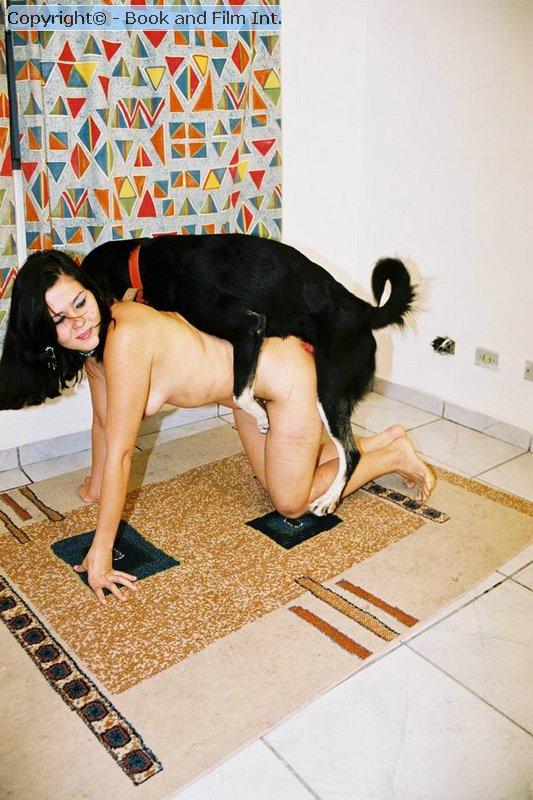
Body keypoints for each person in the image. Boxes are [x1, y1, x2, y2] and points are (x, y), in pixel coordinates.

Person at [0, 250, 435, 606]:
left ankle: (391, 456)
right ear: (42, 330)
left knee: (292, 504)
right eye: (58, 319)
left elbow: (122, 452)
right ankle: (383, 441)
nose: (77, 321)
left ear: (89, 288)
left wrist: (101, 551)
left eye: (79, 303)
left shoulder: (124, 335)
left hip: (287, 380)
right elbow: (103, 421)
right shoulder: (94, 347)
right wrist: (96, 486)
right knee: (276, 481)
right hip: (248, 397)